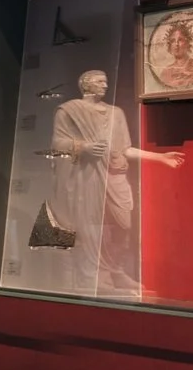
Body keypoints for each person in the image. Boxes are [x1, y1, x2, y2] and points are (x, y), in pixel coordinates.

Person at [45, 68, 182, 297]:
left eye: (106, 82)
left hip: (115, 177)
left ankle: (115, 270)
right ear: (86, 84)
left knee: (124, 226)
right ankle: (97, 277)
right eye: (100, 81)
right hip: (87, 179)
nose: (105, 86)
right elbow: (58, 143)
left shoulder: (116, 113)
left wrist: (160, 158)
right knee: (91, 230)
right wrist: (84, 147)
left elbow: (124, 149)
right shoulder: (69, 110)